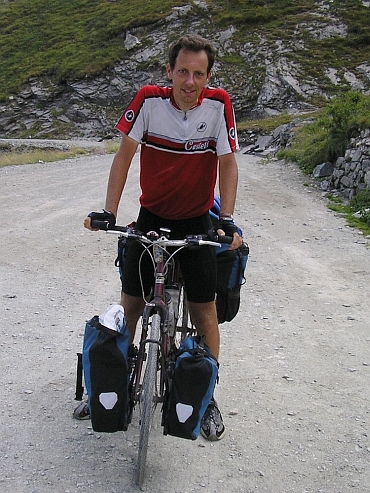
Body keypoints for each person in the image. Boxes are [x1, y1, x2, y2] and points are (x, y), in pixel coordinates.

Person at [77, 33, 242, 441]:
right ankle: (111, 383)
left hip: (197, 222)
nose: (189, 81)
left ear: (208, 77)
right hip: (151, 218)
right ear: (168, 72)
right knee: (130, 304)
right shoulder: (149, 100)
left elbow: (228, 163)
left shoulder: (219, 105)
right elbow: (124, 155)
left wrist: (227, 220)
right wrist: (110, 212)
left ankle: (206, 396)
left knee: (205, 313)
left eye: (198, 74)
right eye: (182, 71)